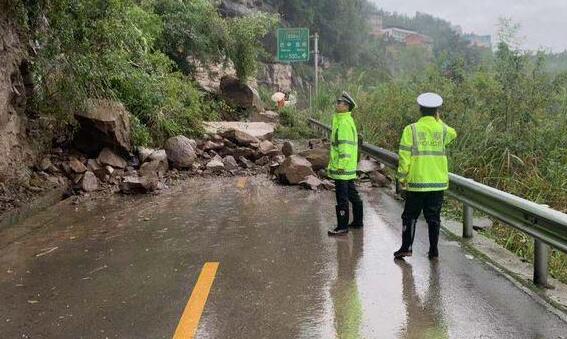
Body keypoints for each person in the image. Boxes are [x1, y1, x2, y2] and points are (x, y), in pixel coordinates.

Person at [394, 93, 457, 259]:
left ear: (420, 110)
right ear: (437, 112)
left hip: (417, 182)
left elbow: (404, 157)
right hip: (437, 183)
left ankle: (406, 247)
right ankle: (434, 251)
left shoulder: (411, 129)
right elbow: (453, 133)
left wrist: (402, 178)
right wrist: (439, 120)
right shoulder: (442, 130)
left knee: (410, 216)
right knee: (433, 218)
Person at [327, 92, 364, 236]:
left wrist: (340, 165)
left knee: (342, 197)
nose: (337, 104)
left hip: (342, 167)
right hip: (347, 166)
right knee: (352, 194)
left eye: (339, 103)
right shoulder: (346, 120)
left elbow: (344, 147)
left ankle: (342, 226)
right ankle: (358, 222)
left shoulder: (343, 123)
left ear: (346, 106)